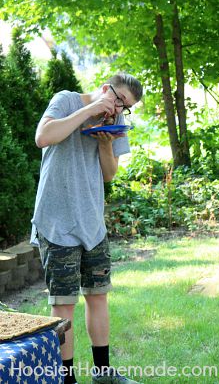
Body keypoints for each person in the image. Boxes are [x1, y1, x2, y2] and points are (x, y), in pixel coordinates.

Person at [32, 73, 144, 384]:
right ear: (107, 89)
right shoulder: (66, 100)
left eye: (127, 107)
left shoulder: (117, 122)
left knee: (98, 297)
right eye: (119, 100)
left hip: (92, 223)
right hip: (57, 222)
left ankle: (103, 373)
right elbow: (43, 136)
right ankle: (67, 379)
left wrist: (106, 145)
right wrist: (89, 111)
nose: (120, 109)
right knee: (63, 303)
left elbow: (109, 175)